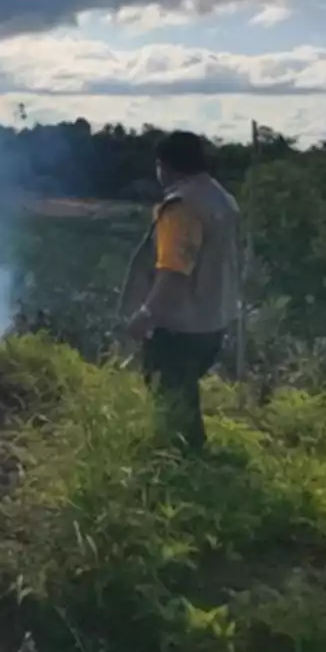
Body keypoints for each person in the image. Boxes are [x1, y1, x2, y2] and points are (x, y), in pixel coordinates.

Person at [119, 130, 240, 452]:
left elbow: (174, 271)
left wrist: (146, 313)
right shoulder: (219, 198)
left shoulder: (182, 207)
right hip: (213, 319)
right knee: (183, 393)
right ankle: (191, 458)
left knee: (170, 398)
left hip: (180, 325)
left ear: (165, 165)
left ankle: (179, 465)